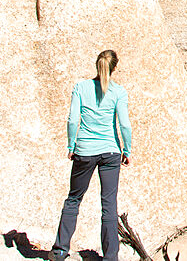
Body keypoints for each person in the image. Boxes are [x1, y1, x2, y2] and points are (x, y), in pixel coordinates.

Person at [50, 49, 132, 261]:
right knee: (109, 205)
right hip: (111, 152)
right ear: (115, 68)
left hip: (85, 150)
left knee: (74, 199)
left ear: (97, 65)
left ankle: (59, 251)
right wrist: (127, 150)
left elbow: (72, 120)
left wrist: (71, 145)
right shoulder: (119, 92)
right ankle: (111, 257)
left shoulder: (81, 87)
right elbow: (124, 124)